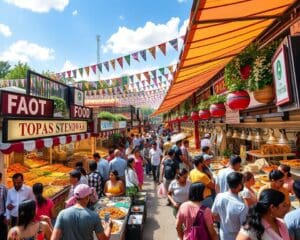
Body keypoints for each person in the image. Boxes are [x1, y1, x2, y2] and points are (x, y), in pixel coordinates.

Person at [212, 172, 248, 240]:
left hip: (223, 233)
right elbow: (245, 228)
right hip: (236, 236)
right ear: (239, 185)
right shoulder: (242, 206)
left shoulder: (219, 196)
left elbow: (214, 214)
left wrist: (224, 222)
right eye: (242, 183)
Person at [0, 172, 7, 240]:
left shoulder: (4, 188)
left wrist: (6, 215)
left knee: (3, 235)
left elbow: (6, 202)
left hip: (1, 216)